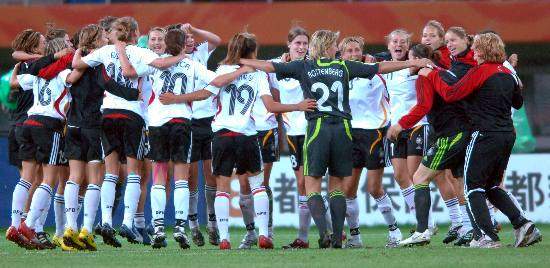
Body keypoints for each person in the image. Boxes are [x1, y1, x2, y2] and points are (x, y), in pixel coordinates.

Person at [240, 29, 432, 248]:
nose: (337, 49)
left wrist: (240, 60)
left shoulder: (305, 66)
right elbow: (380, 67)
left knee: (312, 186)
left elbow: (270, 67)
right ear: (327, 47)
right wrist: (410, 64)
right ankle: (339, 237)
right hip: (343, 129)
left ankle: (325, 234)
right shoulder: (343, 67)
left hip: (317, 128)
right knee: (338, 187)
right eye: (335, 45)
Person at [158, 31, 316, 250]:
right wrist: (297, 106)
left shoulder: (222, 70)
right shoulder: (258, 74)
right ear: (251, 51)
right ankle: (263, 235)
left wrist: (176, 99)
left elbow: (205, 93)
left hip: (222, 135)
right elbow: (271, 106)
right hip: (247, 135)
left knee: (223, 188)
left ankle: (224, 239)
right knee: (257, 186)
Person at [418, 32, 541, 248]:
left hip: (484, 134)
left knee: (473, 187)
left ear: (483, 50)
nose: (473, 51)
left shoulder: (480, 72)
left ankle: (486, 237)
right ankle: (523, 225)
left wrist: (433, 75)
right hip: (506, 135)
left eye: (475, 48)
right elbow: (518, 103)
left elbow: (451, 94)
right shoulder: (508, 72)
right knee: (492, 185)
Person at [72, 16, 184, 246]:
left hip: (108, 114)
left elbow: (77, 64)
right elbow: (162, 64)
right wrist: (181, 56)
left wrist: (80, 49)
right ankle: (127, 222)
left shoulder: (104, 52)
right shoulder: (139, 52)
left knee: (111, 172)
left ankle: (105, 222)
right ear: (134, 34)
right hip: (132, 114)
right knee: (135, 172)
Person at [10, 37, 80, 250]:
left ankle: (14, 225)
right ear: (60, 51)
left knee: (26, 178)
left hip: (28, 124)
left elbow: (13, 83)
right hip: (49, 126)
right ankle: (29, 225)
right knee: (49, 180)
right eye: (68, 47)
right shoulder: (61, 73)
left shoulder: (37, 74)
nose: (71, 49)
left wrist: (16, 68)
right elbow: (76, 75)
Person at [338, 36, 403, 248]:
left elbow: (394, 92)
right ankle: (355, 236)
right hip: (350, 134)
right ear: (341, 54)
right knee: (348, 189)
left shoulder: (376, 71)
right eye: (349, 51)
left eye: (357, 49)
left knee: (374, 188)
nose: (354, 54)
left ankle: (394, 230)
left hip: (374, 133)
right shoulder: (339, 75)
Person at [271, 26, 313, 250]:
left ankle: (331, 232)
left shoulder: (314, 63)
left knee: (312, 182)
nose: (302, 47)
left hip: (313, 131)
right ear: (288, 45)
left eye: (305, 43)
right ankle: (305, 237)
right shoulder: (276, 66)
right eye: (297, 43)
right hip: (292, 133)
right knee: (301, 184)